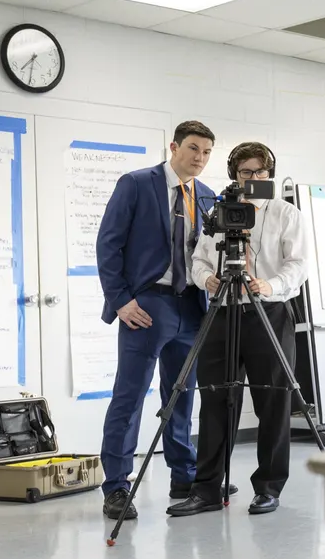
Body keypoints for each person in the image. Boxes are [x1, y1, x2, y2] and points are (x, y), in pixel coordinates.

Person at [95, 120, 234, 520]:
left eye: (207, 152)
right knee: (130, 395)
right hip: (147, 305)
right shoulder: (136, 184)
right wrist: (120, 301)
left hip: (192, 306)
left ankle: (183, 474)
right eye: (193, 148)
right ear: (173, 146)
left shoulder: (207, 197)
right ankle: (117, 486)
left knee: (182, 396)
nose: (199, 158)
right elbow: (108, 243)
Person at [167, 141, 308, 517]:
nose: (253, 178)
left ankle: (268, 487)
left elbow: (298, 266)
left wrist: (269, 284)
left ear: (269, 174)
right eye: (246, 172)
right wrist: (207, 279)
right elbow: (198, 258)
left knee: (273, 402)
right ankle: (207, 489)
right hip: (224, 312)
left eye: (260, 172)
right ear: (234, 175)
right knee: (215, 400)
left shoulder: (285, 213)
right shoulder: (217, 212)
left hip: (269, 312)